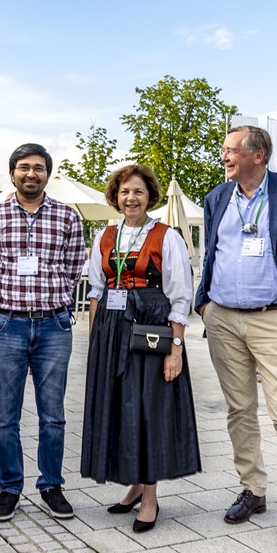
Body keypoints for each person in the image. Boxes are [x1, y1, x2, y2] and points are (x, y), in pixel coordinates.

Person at [195, 125, 277, 536]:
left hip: (275, 317)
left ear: (258, 155)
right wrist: (205, 304)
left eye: (231, 150)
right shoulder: (217, 197)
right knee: (240, 410)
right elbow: (212, 251)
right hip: (224, 318)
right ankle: (253, 489)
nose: (224, 157)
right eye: (224, 150)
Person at [81, 165, 200, 532]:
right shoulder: (105, 234)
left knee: (147, 408)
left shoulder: (167, 237)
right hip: (112, 330)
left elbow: (180, 294)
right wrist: (95, 340)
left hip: (151, 328)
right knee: (119, 406)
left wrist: (175, 348)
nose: (130, 198)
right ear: (115, 197)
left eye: (138, 191)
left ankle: (150, 497)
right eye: (124, 192)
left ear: (150, 196)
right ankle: (134, 485)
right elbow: (97, 289)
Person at [0, 143, 85, 522]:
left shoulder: (67, 218)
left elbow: (74, 267)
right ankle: (9, 487)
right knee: (5, 415)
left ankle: (51, 484)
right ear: (12, 174)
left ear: (47, 174)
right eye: (24, 168)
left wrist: (51, 293)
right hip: (6, 324)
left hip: (54, 325)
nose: (31, 174)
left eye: (38, 168)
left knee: (52, 414)